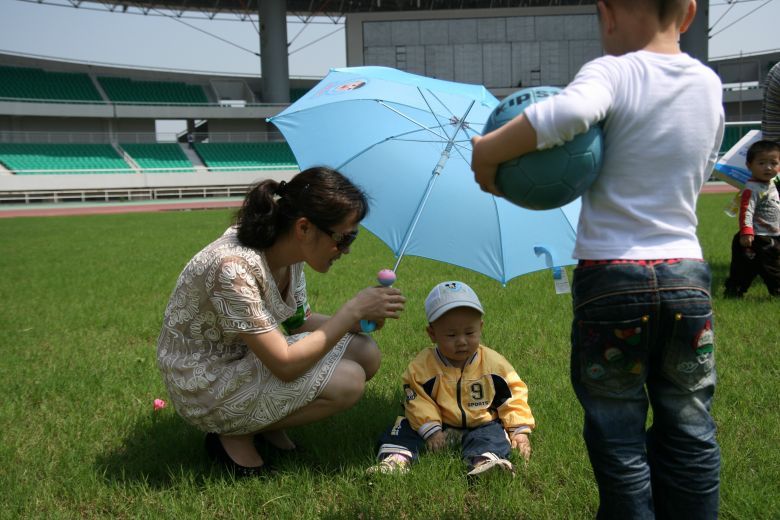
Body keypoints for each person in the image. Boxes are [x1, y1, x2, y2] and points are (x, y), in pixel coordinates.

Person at [471, 1, 723, 517]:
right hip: (687, 278)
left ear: (607, 13)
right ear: (689, 14)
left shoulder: (613, 70)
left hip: (613, 280)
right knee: (692, 424)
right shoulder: (708, 84)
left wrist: (488, 151)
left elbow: (564, 115)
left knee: (618, 431)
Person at [157, 167, 406, 476]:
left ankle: (259, 421)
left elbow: (298, 322)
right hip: (204, 381)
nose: (347, 249)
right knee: (348, 380)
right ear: (304, 228)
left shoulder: (288, 254)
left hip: (245, 357)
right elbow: (284, 363)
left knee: (365, 351)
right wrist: (350, 312)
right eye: (343, 238)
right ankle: (232, 434)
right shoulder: (232, 268)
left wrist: (358, 321)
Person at [367, 281, 535, 477]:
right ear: (432, 334)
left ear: (480, 327)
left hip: (479, 422)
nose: (462, 341)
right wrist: (431, 431)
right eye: (451, 335)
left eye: (470, 333)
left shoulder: (494, 365)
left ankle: (485, 461)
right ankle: (395, 460)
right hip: (440, 422)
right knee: (403, 427)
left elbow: (513, 394)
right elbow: (417, 399)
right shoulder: (423, 366)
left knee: (493, 434)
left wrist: (519, 430)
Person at [724, 140, 780, 297]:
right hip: (758, 236)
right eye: (761, 163)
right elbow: (746, 210)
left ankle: (734, 290)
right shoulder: (752, 188)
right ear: (749, 166)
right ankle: (776, 290)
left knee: (749, 266)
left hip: (771, 234)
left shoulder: (770, 183)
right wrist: (747, 231)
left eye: (773, 163)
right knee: (772, 267)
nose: (768, 167)